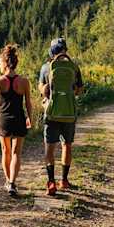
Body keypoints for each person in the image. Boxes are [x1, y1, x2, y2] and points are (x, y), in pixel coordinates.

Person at [39, 37, 84, 196]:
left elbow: (42, 89)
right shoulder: (74, 67)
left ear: (52, 51)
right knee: (67, 145)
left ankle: (51, 182)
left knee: (49, 147)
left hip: (52, 113)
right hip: (69, 113)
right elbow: (79, 90)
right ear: (65, 50)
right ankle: (64, 180)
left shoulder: (46, 67)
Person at [0, 44, 34, 197]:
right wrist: (30, 118)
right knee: (16, 152)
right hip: (19, 119)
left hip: (4, 119)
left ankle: (8, 181)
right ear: (15, 63)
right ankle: (12, 183)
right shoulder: (24, 81)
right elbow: (28, 103)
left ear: (4, 63)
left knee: (5, 151)